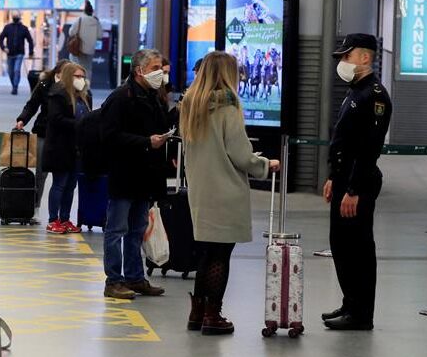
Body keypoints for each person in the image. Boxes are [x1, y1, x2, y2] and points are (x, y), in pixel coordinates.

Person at [180, 51, 280, 335]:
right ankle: (213, 315)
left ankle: (197, 312)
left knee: (206, 253)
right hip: (226, 191)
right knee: (221, 256)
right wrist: (264, 164)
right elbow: (240, 154)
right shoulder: (228, 104)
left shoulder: (191, 104)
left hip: (201, 191)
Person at [322, 33, 392, 331]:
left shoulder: (374, 96)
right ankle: (350, 302)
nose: (342, 61)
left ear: (364, 57)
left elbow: (368, 149)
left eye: (346, 56)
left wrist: (352, 189)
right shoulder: (355, 90)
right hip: (343, 181)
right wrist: (332, 178)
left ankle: (362, 313)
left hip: (358, 184)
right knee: (341, 244)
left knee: (359, 248)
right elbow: (342, 142)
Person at [101, 49, 169, 300]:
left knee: (138, 229)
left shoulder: (153, 97)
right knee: (116, 229)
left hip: (146, 174)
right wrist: (144, 142)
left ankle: (135, 277)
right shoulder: (121, 98)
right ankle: (113, 281)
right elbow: (108, 136)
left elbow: (160, 126)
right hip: (124, 173)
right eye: (154, 68)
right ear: (139, 70)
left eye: (161, 68)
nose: (159, 73)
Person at [16, 59, 71, 219]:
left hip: (64, 136)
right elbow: (32, 105)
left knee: (62, 178)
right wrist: (22, 119)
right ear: (58, 72)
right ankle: (35, 206)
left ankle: (61, 215)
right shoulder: (45, 85)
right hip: (44, 133)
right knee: (41, 173)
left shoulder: (73, 87)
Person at [43, 62, 92, 234]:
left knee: (71, 185)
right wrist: (79, 124)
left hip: (77, 148)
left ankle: (64, 218)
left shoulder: (85, 96)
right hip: (60, 147)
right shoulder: (58, 94)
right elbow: (56, 119)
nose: (80, 80)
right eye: (77, 76)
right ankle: (52, 219)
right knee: (59, 184)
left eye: (82, 77)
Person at [0, 11, 34, 95]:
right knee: (10, 72)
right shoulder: (7, 27)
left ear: (19, 17)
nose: (15, 17)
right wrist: (4, 48)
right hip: (10, 53)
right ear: (12, 17)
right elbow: (0, 38)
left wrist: (30, 52)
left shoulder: (24, 28)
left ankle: (15, 87)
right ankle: (13, 85)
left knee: (16, 70)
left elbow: (30, 41)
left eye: (17, 16)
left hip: (19, 53)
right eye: (14, 16)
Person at [68, 1, 102, 83]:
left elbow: (71, 32)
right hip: (90, 50)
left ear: (84, 11)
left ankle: (77, 84)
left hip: (79, 48)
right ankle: (87, 85)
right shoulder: (96, 22)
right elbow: (100, 36)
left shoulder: (80, 20)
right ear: (92, 12)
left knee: (76, 65)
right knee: (88, 68)